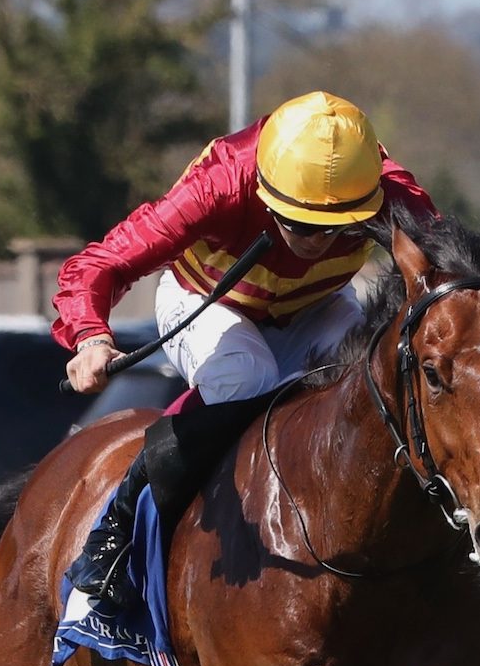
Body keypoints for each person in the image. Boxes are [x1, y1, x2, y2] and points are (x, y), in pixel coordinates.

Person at [53, 90, 437, 611]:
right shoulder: (221, 183)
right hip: (206, 298)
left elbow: (447, 270)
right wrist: (91, 335)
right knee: (246, 375)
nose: (317, 242)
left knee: (372, 372)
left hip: (316, 306)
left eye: (336, 226)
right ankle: (118, 525)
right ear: (264, 187)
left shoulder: (388, 190)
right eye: (299, 224)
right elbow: (102, 264)